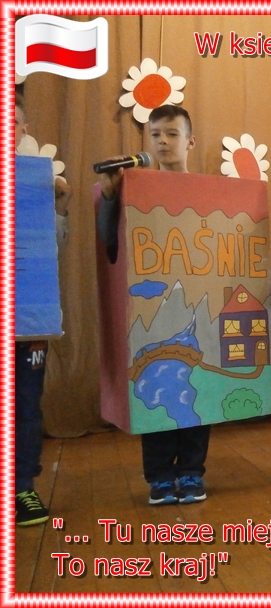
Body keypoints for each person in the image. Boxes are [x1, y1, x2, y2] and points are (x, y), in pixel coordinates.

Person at [96, 105, 210, 504]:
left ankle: (192, 471)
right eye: (156, 134)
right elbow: (110, 241)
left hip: (196, 302)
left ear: (190, 142)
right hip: (151, 308)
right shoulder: (134, 187)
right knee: (158, 388)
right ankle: (160, 476)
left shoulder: (207, 190)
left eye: (172, 134)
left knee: (197, 389)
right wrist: (111, 194)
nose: (162, 141)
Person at [14, 95, 72, 526]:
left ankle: (23, 488)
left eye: (15, 122)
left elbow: (53, 251)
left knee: (26, 405)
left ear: (25, 130)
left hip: (29, 320)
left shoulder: (38, 181)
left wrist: (57, 206)